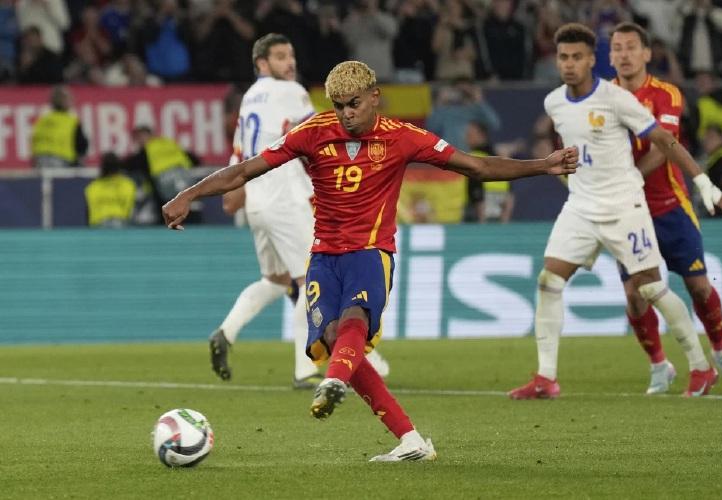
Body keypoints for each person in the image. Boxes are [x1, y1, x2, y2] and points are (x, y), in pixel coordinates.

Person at [162, 60, 579, 461]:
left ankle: (334, 381)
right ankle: (410, 441)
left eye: (354, 104)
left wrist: (543, 165)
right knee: (331, 339)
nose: (346, 114)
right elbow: (244, 171)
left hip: (370, 251)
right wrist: (188, 194)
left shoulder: (403, 137)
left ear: (374, 97)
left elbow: (477, 167)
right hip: (323, 256)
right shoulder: (313, 132)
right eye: (339, 105)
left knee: (354, 320)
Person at [508, 23, 722, 401]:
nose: (569, 64)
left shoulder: (616, 99)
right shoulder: (554, 103)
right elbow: (572, 145)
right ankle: (546, 378)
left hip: (623, 206)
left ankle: (701, 366)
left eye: (577, 57)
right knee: (549, 280)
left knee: (651, 288)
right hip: (581, 207)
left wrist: (702, 182)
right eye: (563, 57)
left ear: (591, 60)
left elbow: (665, 141)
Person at [206, 33, 389, 389]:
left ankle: (225, 332)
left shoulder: (248, 98)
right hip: (284, 197)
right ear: (262, 64)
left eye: (290, 55)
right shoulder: (290, 91)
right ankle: (306, 369)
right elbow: (326, 131)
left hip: (256, 202)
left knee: (275, 281)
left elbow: (240, 153)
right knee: (314, 280)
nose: (289, 62)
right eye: (279, 57)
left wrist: (234, 189)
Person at [608, 22, 722, 394]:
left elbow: (664, 146)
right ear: (610, 56)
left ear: (646, 54)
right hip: (627, 212)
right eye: (617, 48)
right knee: (635, 295)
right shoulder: (601, 99)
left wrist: (631, 177)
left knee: (699, 287)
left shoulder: (666, 93)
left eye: (631, 47)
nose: (624, 54)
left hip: (670, 206)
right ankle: (659, 365)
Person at [126, 124, 200, 223]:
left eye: (139, 137)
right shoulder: (169, 143)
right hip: (185, 180)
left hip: (165, 185)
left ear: (148, 136)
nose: (138, 141)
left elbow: (133, 164)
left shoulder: (148, 149)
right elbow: (194, 159)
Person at [31, 85, 88, 168]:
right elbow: (81, 145)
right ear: (63, 101)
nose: (72, 100)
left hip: (40, 161)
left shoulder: (42, 120)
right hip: (63, 160)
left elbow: (34, 141)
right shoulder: (71, 121)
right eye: (69, 99)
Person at [84, 151, 137, 228]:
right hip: (121, 225)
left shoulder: (93, 187)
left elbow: (90, 212)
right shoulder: (128, 184)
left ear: (103, 168)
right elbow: (129, 210)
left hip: (99, 225)